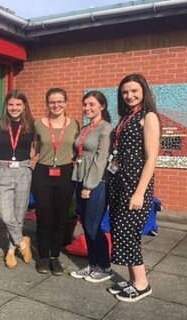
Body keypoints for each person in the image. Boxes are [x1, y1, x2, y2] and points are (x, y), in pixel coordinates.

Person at [107, 73, 161, 302]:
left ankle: (142, 284)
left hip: (135, 184)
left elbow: (151, 158)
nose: (129, 95)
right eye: (125, 92)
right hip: (120, 181)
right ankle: (132, 281)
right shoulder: (127, 117)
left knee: (129, 233)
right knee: (120, 230)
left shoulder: (149, 117)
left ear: (143, 92)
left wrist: (139, 192)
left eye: (134, 91)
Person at [31, 87, 79, 276]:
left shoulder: (74, 124)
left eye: (60, 101)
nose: (56, 105)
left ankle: (55, 257)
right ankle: (43, 256)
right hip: (43, 172)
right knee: (44, 217)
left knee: (60, 218)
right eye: (52, 102)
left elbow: (79, 147)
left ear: (66, 103)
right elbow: (34, 149)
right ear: (47, 104)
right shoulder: (38, 124)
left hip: (65, 172)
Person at [69, 91, 113, 282]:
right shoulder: (86, 128)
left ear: (102, 106)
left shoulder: (105, 129)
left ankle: (105, 266)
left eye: (92, 104)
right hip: (80, 179)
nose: (87, 108)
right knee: (86, 226)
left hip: (96, 183)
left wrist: (89, 185)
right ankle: (93, 264)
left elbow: (100, 159)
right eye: (85, 104)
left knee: (93, 226)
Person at [0, 90, 35, 269]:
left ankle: (11, 251)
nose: (14, 108)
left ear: (24, 106)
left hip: (23, 171)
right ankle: (22, 242)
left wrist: (30, 162)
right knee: (4, 214)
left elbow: (38, 147)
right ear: (6, 106)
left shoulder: (32, 125)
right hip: (3, 170)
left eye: (18, 104)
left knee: (18, 215)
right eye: (11, 104)